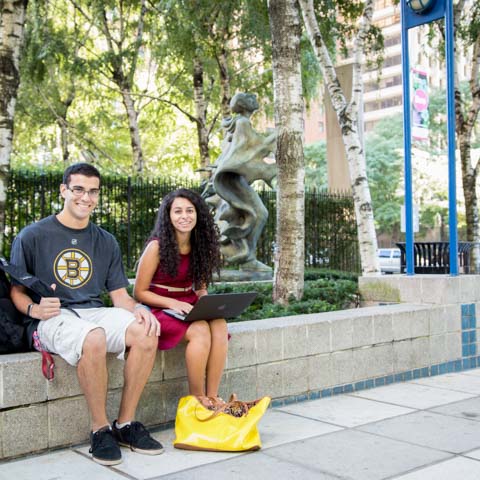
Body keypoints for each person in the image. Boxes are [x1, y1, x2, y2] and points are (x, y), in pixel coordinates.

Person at [10, 163, 163, 466]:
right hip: (51, 317)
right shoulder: (32, 236)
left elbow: (120, 296)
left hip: (92, 311)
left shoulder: (106, 240)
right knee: (93, 338)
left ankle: (125, 424)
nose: (86, 197)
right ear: (64, 190)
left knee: (145, 331)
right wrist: (34, 309)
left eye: (93, 191)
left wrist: (141, 309)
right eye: (78, 189)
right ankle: (99, 429)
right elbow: (16, 291)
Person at [134, 188, 227, 409]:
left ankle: (212, 397)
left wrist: (206, 303)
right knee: (200, 330)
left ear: (198, 214)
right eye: (177, 211)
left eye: (189, 210)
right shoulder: (156, 246)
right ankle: (197, 399)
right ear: (168, 216)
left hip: (188, 303)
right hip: (159, 305)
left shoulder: (200, 245)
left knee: (220, 324)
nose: (184, 216)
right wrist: (173, 303)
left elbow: (200, 287)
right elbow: (139, 292)